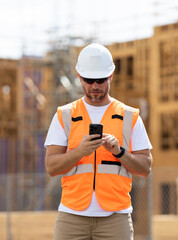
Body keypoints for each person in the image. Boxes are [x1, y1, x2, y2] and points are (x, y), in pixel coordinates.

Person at [44, 43, 153, 240]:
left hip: (115, 217)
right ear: (80, 78)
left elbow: (145, 167)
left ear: (111, 76)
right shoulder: (64, 115)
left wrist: (119, 151)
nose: (95, 86)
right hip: (72, 216)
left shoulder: (130, 117)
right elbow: (51, 166)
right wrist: (80, 151)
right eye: (89, 80)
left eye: (100, 80)